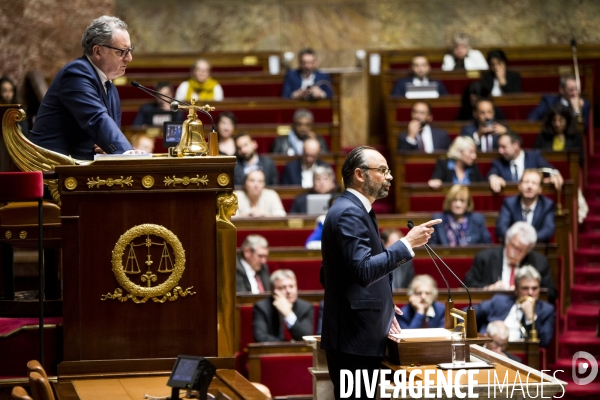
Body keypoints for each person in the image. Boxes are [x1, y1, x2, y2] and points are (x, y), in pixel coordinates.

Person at [320, 145, 441, 400]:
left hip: (357, 336)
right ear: (360, 174)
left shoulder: (355, 209)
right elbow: (363, 270)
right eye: (382, 170)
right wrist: (408, 243)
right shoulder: (349, 213)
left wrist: (383, 306)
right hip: (354, 342)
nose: (390, 177)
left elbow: (333, 273)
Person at [29, 16, 143, 160]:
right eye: (121, 52)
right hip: (51, 168)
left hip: (80, 167)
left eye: (130, 50)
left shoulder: (110, 86)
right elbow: (96, 118)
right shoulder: (76, 73)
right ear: (97, 51)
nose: (129, 58)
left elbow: (108, 132)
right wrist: (126, 152)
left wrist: (109, 146)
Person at [464, 221, 557, 303]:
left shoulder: (539, 262)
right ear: (507, 241)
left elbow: (551, 293)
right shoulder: (485, 258)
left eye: (522, 250)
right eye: (514, 246)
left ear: (528, 251)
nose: (516, 252)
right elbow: (467, 284)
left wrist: (525, 292)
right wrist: (488, 289)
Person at [473, 266, 555, 348]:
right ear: (516, 290)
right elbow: (471, 313)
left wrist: (531, 318)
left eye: (534, 288)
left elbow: (544, 342)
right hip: (489, 349)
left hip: (518, 355)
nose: (530, 292)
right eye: (525, 288)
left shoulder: (547, 310)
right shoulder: (499, 301)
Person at [488, 132, 564, 193]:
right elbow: (492, 174)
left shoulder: (534, 157)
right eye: (499, 147)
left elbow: (549, 169)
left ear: (516, 145)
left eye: (503, 147)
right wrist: (494, 178)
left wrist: (554, 175)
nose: (500, 151)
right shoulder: (499, 162)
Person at [252, 269, 314, 342]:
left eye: (291, 286)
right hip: (273, 352)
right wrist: (287, 345)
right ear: (272, 291)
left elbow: (306, 337)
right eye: (282, 288)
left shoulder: (306, 307)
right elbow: (260, 338)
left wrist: (288, 314)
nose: (288, 291)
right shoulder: (261, 307)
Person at [496, 169, 556, 243]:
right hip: (514, 246)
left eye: (534, 183)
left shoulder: (547, 205)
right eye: (526, 182)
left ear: (540, 189)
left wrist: (527, 240)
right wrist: (517, 240)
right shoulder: (509, 203)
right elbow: (501, 228)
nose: (529, 186)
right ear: (519, 186)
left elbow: (548, 230)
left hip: (536, 247)